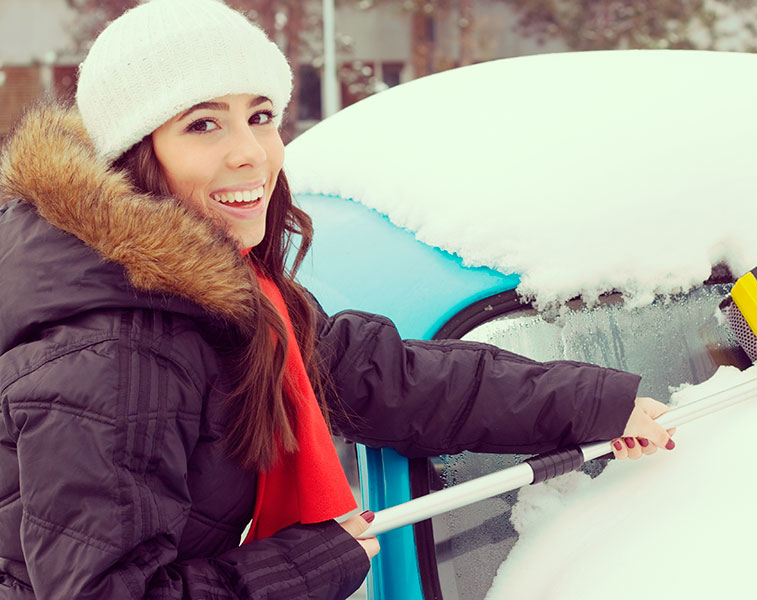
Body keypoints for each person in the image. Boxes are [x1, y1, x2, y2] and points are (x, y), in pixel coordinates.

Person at [0, 1, 675, 598]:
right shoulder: (114, 351)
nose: (251, 154)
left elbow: (391, 378)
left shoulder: (222, 299)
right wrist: (310, 563)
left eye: (259, 116)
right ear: (133, 156)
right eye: (203, 125)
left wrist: (599, 404)